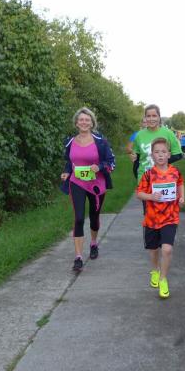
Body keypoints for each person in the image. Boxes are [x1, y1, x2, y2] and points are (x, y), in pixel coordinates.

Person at [60, 107, 116, 272]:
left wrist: (99, 167)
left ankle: (93, 243)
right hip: (77, 182)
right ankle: (78, 257)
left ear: (92, 123)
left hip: (96, 184)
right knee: (78, 218)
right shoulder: (70, 141)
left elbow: (111, 162)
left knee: (94, 216)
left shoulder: (101, 141)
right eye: (81, 120)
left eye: (87, 120)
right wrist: (67, 172)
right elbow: (69, 161)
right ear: (76, 123)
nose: (84, 122)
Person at [136, 137, 185, 299]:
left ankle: (163, 279)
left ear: (169, 154)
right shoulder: (148, 174)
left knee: (167, 249)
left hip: (170, 217)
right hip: (152, 219)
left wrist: (182, 197)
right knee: (153, 250)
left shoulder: (175, 172)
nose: (160, 155)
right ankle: (155, 270)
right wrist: (151, 196)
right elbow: (139, 194)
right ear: (152, 155)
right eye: (157, 152)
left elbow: (180, 183)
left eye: (163, 151)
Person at [131, 104, 182, 181]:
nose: (151, 119)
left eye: (154, 116)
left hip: (163, 178)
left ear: (159, 117)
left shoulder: (168, 133)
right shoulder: (139, 135)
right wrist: (137, 175)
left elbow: (178, 155)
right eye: (148, 116)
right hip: (144, 178)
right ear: (145, 117)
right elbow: (137, 158)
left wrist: (160, 161)